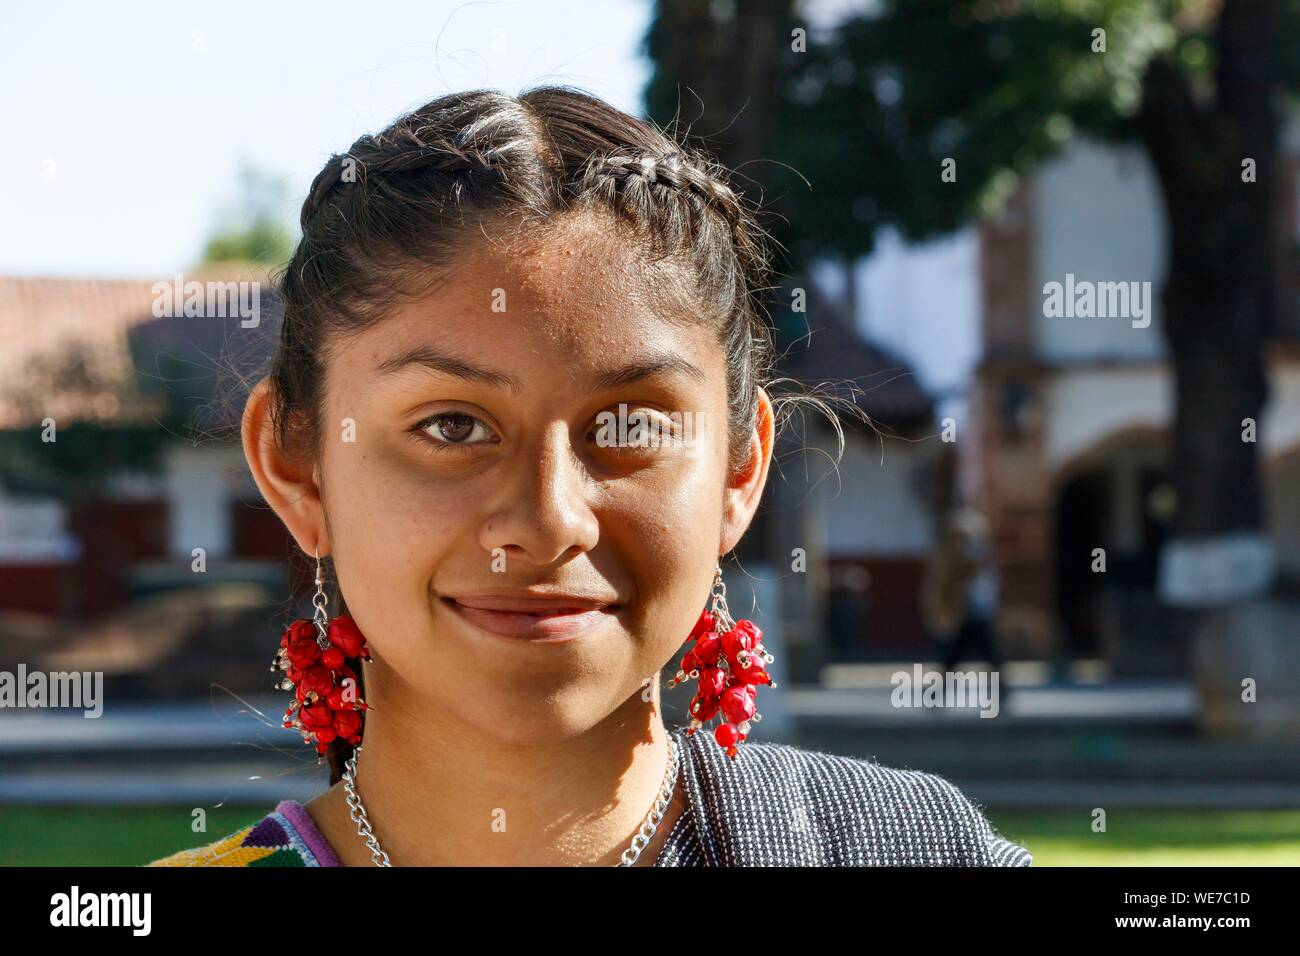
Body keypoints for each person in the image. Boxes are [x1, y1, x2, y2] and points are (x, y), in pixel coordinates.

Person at [148, 87, 1030, 867]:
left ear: (739, 468)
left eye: (631, 426)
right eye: (451, 426)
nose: (549, 519)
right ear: (296, 465)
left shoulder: (910, 853)